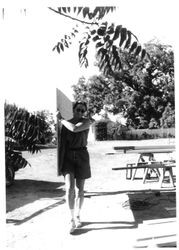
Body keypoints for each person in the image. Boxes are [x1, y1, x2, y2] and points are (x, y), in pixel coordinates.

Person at [56, 101, 94, 234]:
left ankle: (78, 215)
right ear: (73, 109)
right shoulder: (66, 122)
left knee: (80, 189)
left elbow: (74, 128)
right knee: (69, 188)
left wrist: (61, 119)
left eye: (83, 110)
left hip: (82, 155)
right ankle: (71, 219)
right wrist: (60, 120)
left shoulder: (87, 121)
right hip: (68, 156)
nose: (80, 112)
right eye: (78, 109)